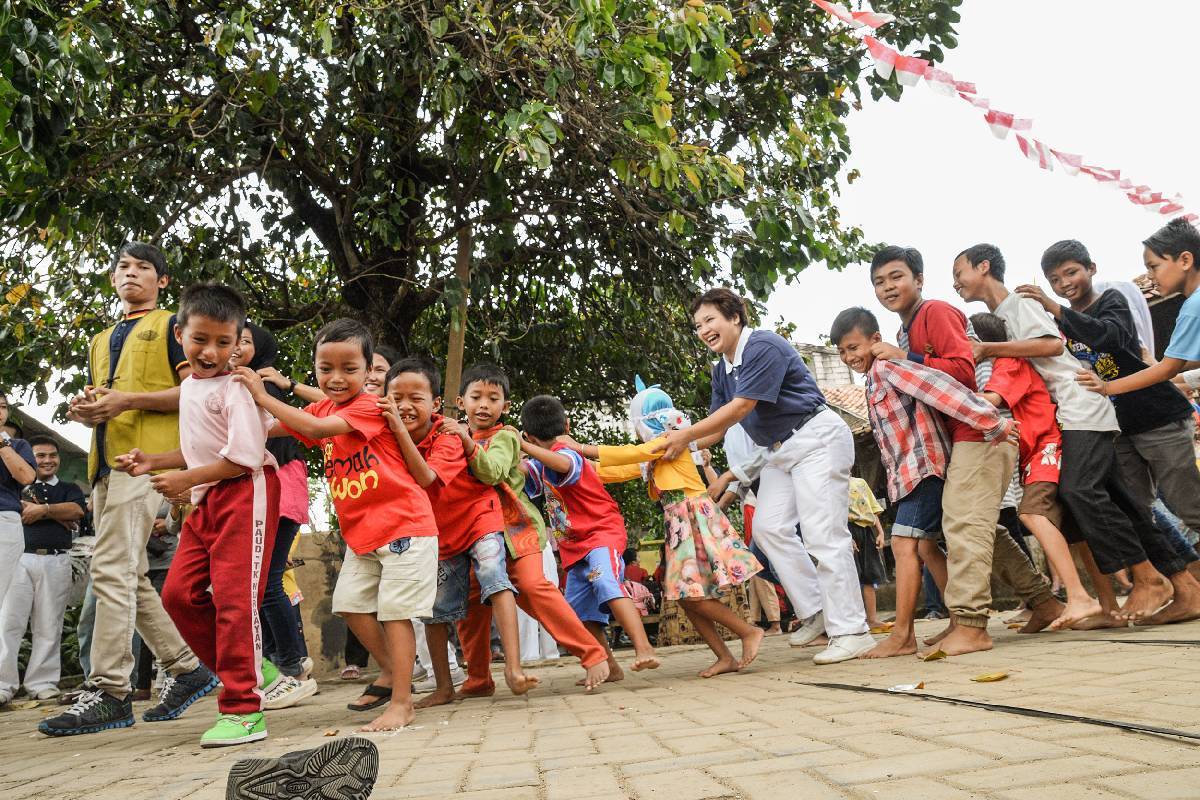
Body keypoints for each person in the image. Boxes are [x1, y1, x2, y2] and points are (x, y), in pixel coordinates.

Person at [955, 242, 1196, 623]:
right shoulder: (1004, 313)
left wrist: (989, 349)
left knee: (1079, 490)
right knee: (1126, 502)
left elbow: (1052, 344)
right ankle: (1181, 588)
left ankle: (1148, 578)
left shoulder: (1020, 304)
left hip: (1084, 406)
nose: (956, 283)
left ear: (983, 267)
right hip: (1077, 411)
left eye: (959, 273)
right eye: (1056, 279)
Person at [43, 243, 215, 738]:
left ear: (162, 281)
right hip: (104, 463)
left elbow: (197, 390)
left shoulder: (170, 327)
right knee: (128, 574)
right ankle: (186, 669)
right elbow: (110, 401)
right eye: (122, 266)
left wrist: (127, 400)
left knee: (112, 568)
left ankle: (110, 690)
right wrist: (89, 407)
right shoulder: (100, 338)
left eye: (143, 268)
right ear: (112, 279)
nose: (131, 274)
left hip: (144, 461)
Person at [236, 318, 439, 732]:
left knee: (395, 615)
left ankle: (402, 701)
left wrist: (262, 393)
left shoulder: (368, 407)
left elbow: (309, 427)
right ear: (314, 368)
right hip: (363, 534)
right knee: (349, 604)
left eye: (349, 369)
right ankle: (392, 672)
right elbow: (275, 427)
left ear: (369, 373)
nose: (337, 377)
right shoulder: (323, 407)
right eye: (326, 368)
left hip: (404, 527)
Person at [657, 288, 873, 664]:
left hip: (815, 439)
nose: (704, 329)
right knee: (769, 529)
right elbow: (716, 430)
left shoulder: (762, 346)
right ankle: (819, 611)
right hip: (778, 451)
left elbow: (742, 407)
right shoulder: (722, 368)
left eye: (710, 320)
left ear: (735, 318)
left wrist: (685, 436)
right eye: (697, 325)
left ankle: (853, 631)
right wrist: (671, 447)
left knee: (824, 536)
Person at [831, 307, 1059, 658]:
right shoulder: (876, 375)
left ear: (876, 340)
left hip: (926, 469)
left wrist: (991, 421)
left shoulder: (891, 365)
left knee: (906, 545)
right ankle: (1025, 604)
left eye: (853, 347)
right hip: (910, 475)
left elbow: (942, 390)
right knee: (941, 541)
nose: (849, 357)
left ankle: (905, 634)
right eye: (842, 352)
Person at [109, 283, 279, 747]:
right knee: (179, 596)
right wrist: (155, 462)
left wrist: (184, 481)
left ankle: (245, 710)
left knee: (233, 601)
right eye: (200, 339)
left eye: (225, 342)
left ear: (239, 342)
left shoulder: (238, 388)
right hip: (208, 498)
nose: (211, 351)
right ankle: (253, 667)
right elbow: (195, 447)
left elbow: (243, 459)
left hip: (245, 492)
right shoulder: (190, 387)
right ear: (180, 334)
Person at [1033, 233, 1200, 624]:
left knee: (1187, 503)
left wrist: (1055, 308)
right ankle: (1180, 585)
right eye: (1055, 280)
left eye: (1071, 273)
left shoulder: (1111, 303)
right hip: (1118, 426)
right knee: (1139, 511)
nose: (1064, 284)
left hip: (1157, 416)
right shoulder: (1059, 325)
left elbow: (1108, 336)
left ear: (1091, 269)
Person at [560, 378, 763, 678]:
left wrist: (580, 447)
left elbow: (629, 455)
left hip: (692, 514)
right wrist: (565, 462)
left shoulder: (670, 440)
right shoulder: (656, 453)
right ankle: (725, 656)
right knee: (685, 596)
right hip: (678, 521)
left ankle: (748, 632)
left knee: (691, 596)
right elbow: (615, 470)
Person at [378, 357, 536, 708]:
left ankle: (513, 668)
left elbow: (427, 478)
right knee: (437, 610)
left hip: (480, 518)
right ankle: (445, 686)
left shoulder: (449, 435)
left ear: (436, 403)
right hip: (440, 533)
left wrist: (401, 433)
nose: (405, 406)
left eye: (415, 398)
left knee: (496, 578)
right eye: (396, 398)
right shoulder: (383, 435)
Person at [443, 364, 609, 693]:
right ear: (461, 402)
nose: (484, 405)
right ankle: (478, 678)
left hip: (516, 531)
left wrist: (465, 442)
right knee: (472, 603)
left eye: (493, 398)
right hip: (472, 534)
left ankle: (592, 654)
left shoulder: (504, 436)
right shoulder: (453, 435)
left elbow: (491, 472)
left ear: (505, 407)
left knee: (534, 587)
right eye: (476, 397)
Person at [968, 310, 1103, 626]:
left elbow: (990, 400)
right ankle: (1094, 601)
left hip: (1045, 444)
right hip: (1033, 451)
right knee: (1070, 526)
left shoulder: (1009, 364)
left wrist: (941, 393)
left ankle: (1079, 597)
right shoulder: (1004, 365)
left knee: (1032, 513)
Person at [519, 395, 660, 674]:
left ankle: (644, 648)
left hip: (601, 534)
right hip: (574, 547)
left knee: (607, 582)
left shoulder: (569, 453)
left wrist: (521, 444)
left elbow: (562, 464)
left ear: (529, 438)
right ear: (568, 423)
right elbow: (521, 471)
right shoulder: (538, 463)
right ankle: (611, 666)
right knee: (578, 614)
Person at [230, 322, 320, 708]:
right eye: (232, 341)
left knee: (268, 583)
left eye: (244, 341)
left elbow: (319, 415)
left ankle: (292, 665)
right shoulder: (230, 385)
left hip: (282, 488)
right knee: (261, 584)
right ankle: (283, 663)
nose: (236, 347)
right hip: (256, 490)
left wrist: (283, 387)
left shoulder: (263, 386)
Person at [0, 435, 85, 704]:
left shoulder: (70, 487)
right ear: (29, 458)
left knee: (49, 624)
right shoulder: (17, 487)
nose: (47, 461)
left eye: (52, 455)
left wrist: (43, 510)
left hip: (56, 559)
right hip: (20, 559)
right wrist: (50, 511)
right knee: (9, 622)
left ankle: (43, 682)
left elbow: (76, 510)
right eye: (41, 456)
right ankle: (3, 684)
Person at [0, 392, 36, 609]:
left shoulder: (18, 445)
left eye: (3, 406)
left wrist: (3, 444)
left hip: (4, 522)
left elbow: (26, 477)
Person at [847, 475, 888, 631]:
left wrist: (881, 533)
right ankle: (855, 621)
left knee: (870, 576)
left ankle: (872, 619)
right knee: (853, 577)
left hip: (866, 530)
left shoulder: (860, 482)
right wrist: (847, 537)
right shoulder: (832, 484)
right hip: (847, 529)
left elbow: (872, 509)